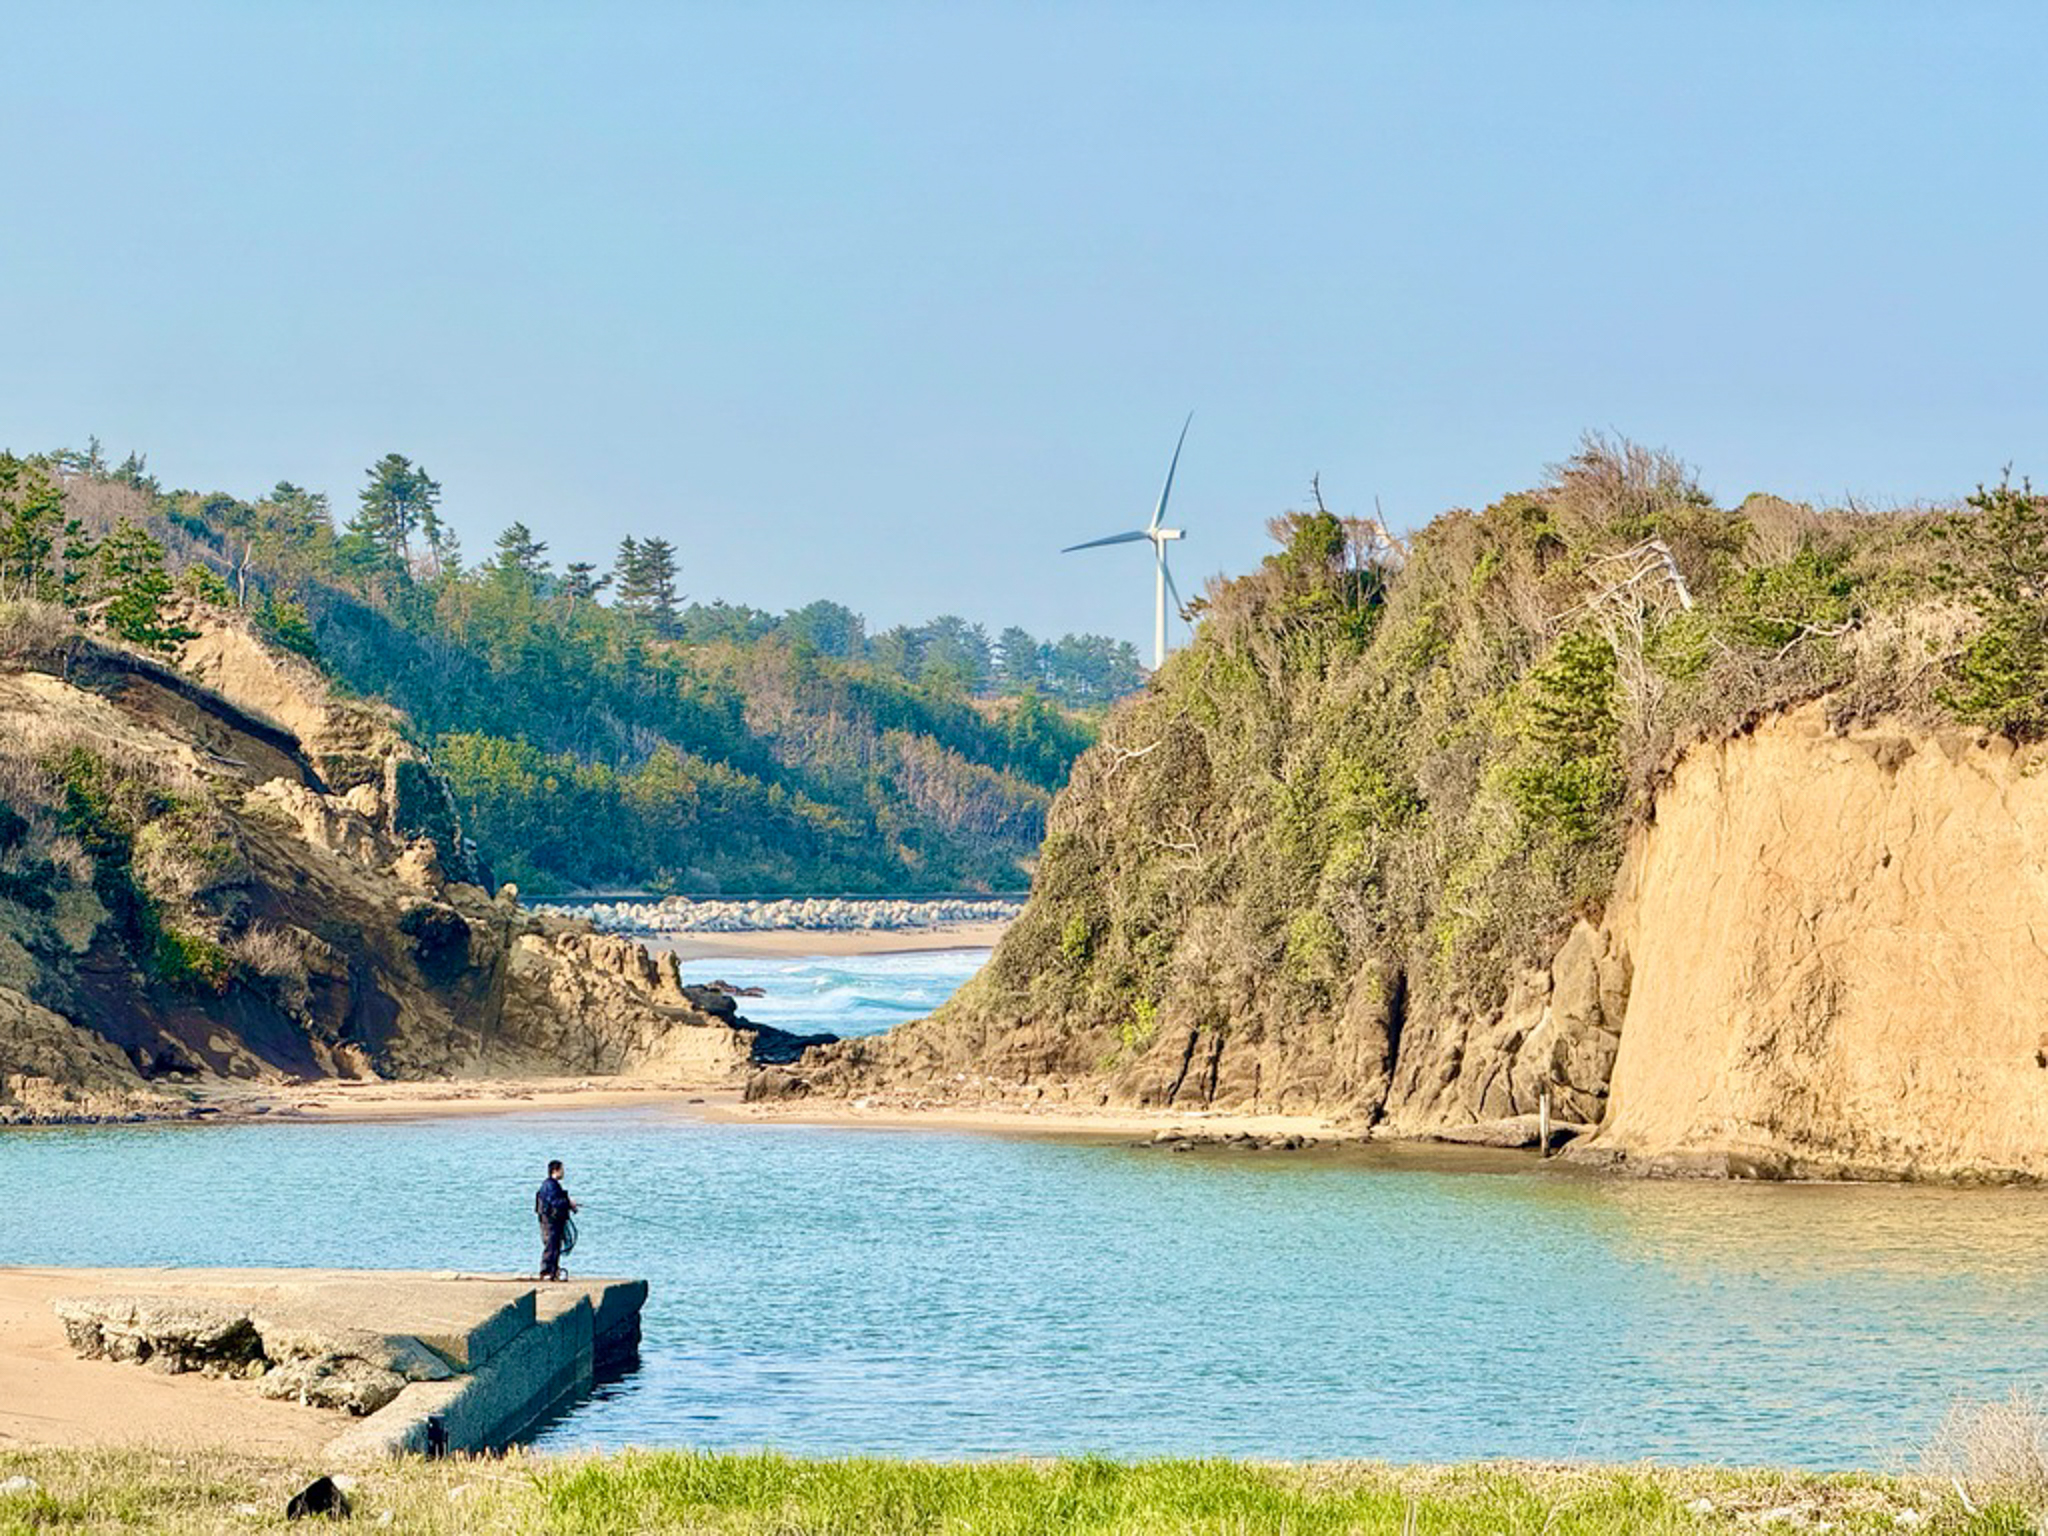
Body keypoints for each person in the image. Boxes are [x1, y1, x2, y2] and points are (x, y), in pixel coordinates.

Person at [535, 1159, 578, 1281]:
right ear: (555, 1170)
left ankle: (553, 1271)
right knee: (551, 1245)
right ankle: (546, 1272)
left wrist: (570, 1205)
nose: (563, 1172)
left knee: (555, 1246)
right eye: (562, 1169)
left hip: (555, 1220)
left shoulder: (553, 1185)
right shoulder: (549, 1185)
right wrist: (568, 1202)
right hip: (550, 1221)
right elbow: (554, 1202)